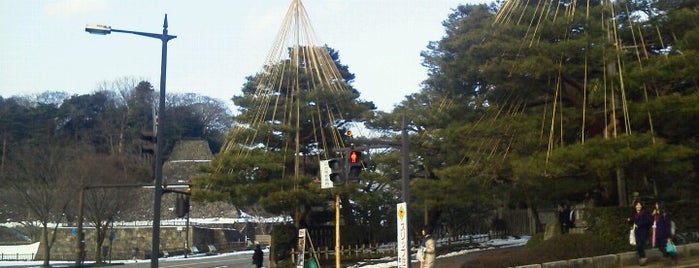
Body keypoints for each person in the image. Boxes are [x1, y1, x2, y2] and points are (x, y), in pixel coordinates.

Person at [628, 200, 652, 266]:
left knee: (640, 245)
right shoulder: (634, 214)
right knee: (638, 245)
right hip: (637, 232)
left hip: (643, 231)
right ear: (635, 206)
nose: (638, 206)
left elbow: (648, 221)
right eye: (637, 205)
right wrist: (630, 221)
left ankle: (643, 258)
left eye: (639, 205)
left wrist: (639, 224)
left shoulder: (644, 213)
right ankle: (642, 258)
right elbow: (632, 222)